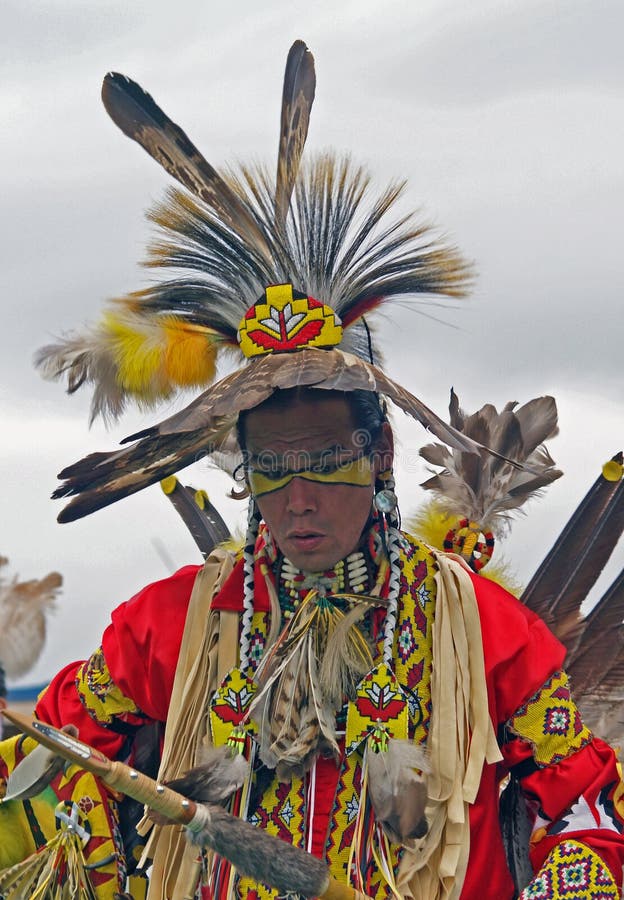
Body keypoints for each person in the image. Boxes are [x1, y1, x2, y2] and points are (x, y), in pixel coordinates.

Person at [2, 40, 623, 900]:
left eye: (327, 463)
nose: (298, 501)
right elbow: (61, 750)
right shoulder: (174, 624)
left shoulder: (479, 628)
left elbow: (585, 806)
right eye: (272, 470)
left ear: (380, 455)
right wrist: (92, 855)